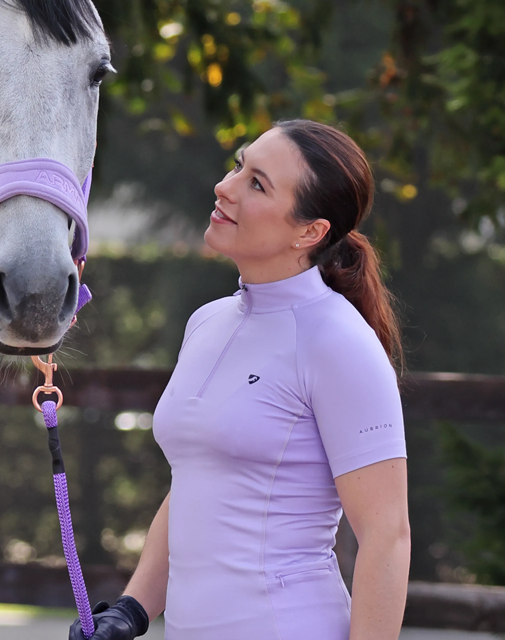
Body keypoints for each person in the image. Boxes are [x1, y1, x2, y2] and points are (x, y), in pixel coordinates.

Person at [69, 119, 410, 640]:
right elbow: (194, 483)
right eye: (238, 166)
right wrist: (133, 609)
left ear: (310, 231)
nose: (224, 187)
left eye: (257, 184)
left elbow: (387, 536)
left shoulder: (340, 342)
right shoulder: (207, 322)